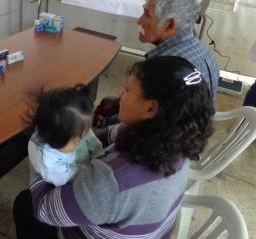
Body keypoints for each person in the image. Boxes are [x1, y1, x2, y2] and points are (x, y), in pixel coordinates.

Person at [14, 56, 215, 239]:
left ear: (150, 108)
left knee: (25, 205)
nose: (121, 94)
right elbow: (107, 135)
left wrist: (44, 150)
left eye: (127, 90)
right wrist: (77, 136)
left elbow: (44, 209)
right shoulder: (177, 137)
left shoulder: (110, 181)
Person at [94, 0, 220, 126]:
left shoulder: (165, 67)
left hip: (165, 141)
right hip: (194, 132)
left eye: (147, 15)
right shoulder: (202, 49)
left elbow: (140, 123)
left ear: (169, 25)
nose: (139, 21)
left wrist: (107, 124)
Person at [26, 85, 104, 187]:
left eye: (86, 132)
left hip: (85, 162)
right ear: (58, 139)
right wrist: (89, 169)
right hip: (72, 176)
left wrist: (99, 155)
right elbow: (68, 177)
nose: (84, 137)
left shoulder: (77, 129)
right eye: (79, 138)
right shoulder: (49, 163)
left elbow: (92, 141)